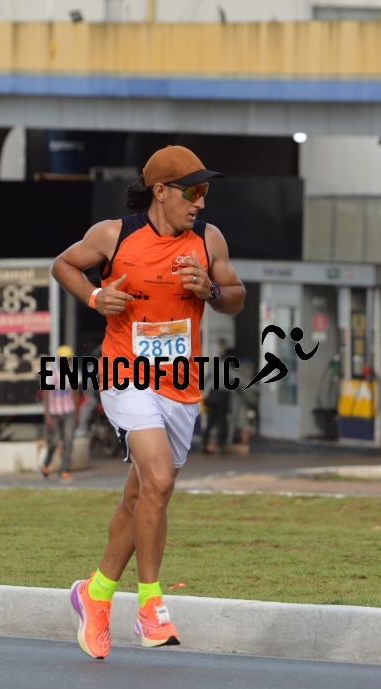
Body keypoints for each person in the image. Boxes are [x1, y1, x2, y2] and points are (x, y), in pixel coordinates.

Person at [52, 145, 245, 659]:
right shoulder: (113, 236)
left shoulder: (208, 240)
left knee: (142, 496)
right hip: (125, 375)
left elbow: (237, 296)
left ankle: (94, 595)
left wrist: (210, 290)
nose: (201, 202)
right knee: (158, 478)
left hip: (181, 387)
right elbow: (63, 264)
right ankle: (150, 606)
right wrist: (94, 297)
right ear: (161, 191)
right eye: (193, 191)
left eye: (205, 191)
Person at [41, 345, 80, 483]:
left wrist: (77, 415)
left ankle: (64, 470)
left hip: (68, 411)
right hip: (54, 412)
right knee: (53, 441)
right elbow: (45, 394)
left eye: (68, 359)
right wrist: (47, 416)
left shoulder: (73, 372)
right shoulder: (51, 372)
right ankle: (46, 464)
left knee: (68, 441)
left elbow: (76, 394)